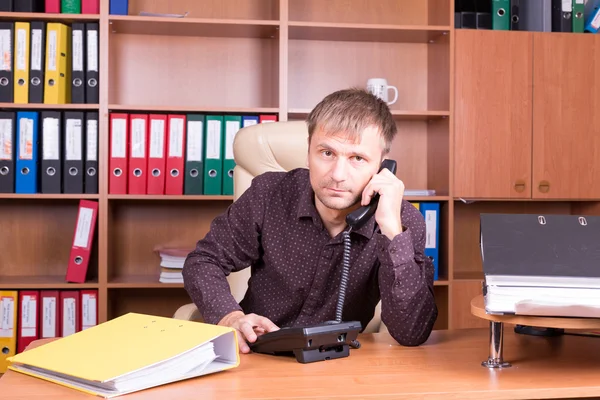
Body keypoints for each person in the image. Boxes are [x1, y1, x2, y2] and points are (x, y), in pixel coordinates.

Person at [182, 88, 438, 353]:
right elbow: (204, 260)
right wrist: (230, 317)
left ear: (382, 167)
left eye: (357, 158)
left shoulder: (403, 222)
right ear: (308, 153)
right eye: (326, 153)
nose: (338, 174)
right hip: (258, 353)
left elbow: (412, 332)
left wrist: (393, 233)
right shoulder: (269, 194)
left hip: (339, 364)